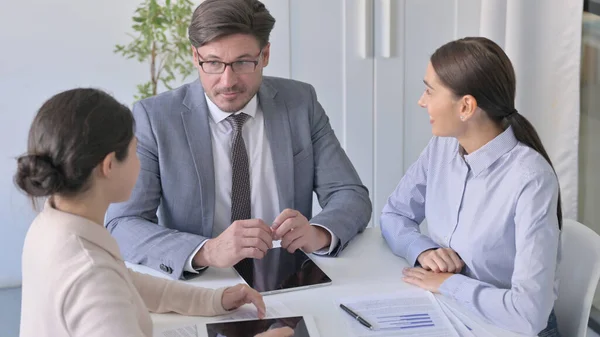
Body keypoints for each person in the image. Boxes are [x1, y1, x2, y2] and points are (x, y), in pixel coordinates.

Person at [105, 0, 372, 280]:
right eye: (213, 63)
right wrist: (207, 250)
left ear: (265, 55)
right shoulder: (155, 118)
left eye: (243, 62)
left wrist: (318, 233)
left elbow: (350, 194)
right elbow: (123, 223)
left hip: (286, 276)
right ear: (195, 57)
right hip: (203, 280)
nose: (227, 80)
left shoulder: (300, 103)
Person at [16, 88, 275, 337]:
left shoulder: (52, 225)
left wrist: (213, 299)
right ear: (108, 166)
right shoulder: (91, 274)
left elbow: (128, 283)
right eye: (135, 150)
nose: (140, 161)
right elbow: (106, 284)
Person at [380, 37, 561, 337]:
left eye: (429, 90)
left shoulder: (531, 179)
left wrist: (449, 283)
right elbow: (394, 214)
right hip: (451, 312)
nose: (421, 101)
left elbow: (530, 314)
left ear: (466, 106)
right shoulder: (441, 148)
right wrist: (423, 250)